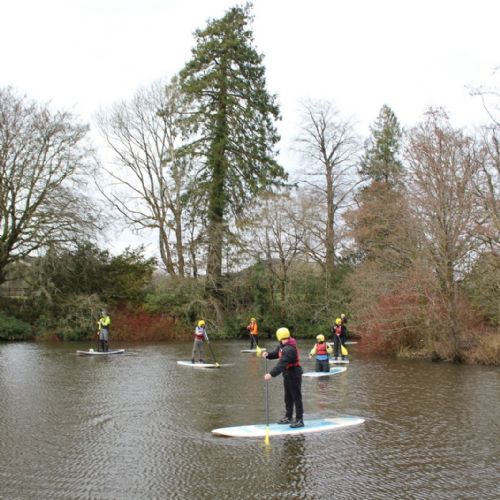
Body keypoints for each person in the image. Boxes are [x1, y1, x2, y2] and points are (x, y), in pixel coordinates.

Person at [263, 327, 304, 428]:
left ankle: (299, 420)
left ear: (279, 336)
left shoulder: (290, 349)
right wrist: (268, 355)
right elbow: (276, 354)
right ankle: (288, 417)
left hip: (294, 373)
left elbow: (281, 364)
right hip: (287, 373)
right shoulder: (282, 345)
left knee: (296, 397)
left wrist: (271, 374)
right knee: (288, 397)